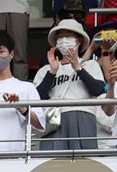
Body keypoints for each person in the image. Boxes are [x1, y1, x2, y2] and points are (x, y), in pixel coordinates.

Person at [33, 19, 105, 150]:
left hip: (83, 115)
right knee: (53, 165)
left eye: (68, 36)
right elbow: (37, 97)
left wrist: (78, 68)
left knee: (83, 163)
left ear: (79, 40)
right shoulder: (46, 69)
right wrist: (52, 72)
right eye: (60, 37)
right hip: (54, 120)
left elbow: (98, 90)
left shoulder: (90, 64)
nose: (63, 40)